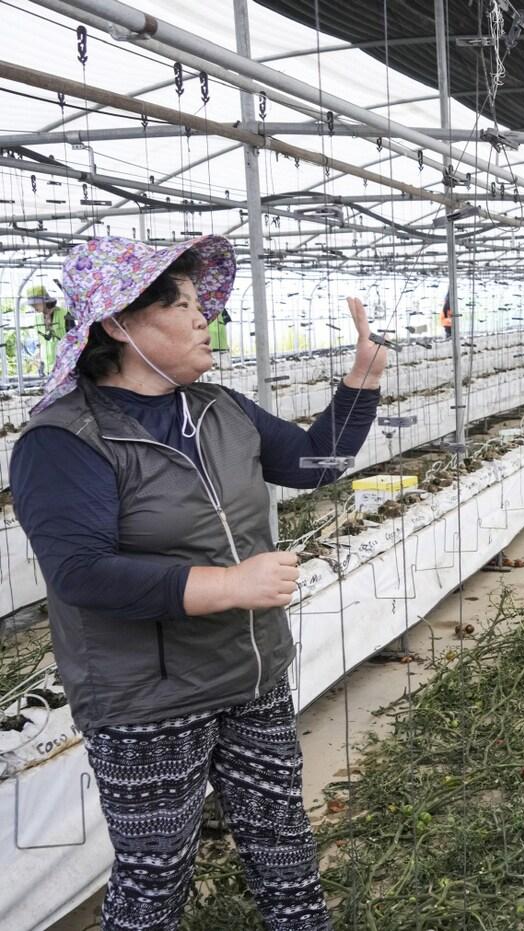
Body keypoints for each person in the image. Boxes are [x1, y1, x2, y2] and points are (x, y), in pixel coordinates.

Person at [10, 235, 387, 931]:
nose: (202, 317)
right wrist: (230, 585)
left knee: (284, 845)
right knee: (156, 878)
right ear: (118, 323)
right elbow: (81, 573)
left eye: (199, 304)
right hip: (146, 702)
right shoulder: (63, 440)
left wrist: (361, 380)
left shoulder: (221, 409)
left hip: (249, 675)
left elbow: (316, 461)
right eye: (181, 305)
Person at [29, 285, 71, 375]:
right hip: (46, 368)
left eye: (35, 303)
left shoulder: (64, 313)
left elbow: (74, 338)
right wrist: (40, 362)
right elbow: (40, 343)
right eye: (31, 304)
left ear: (44, 301)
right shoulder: (37, 319)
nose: (33, 306)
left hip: (64, 365)